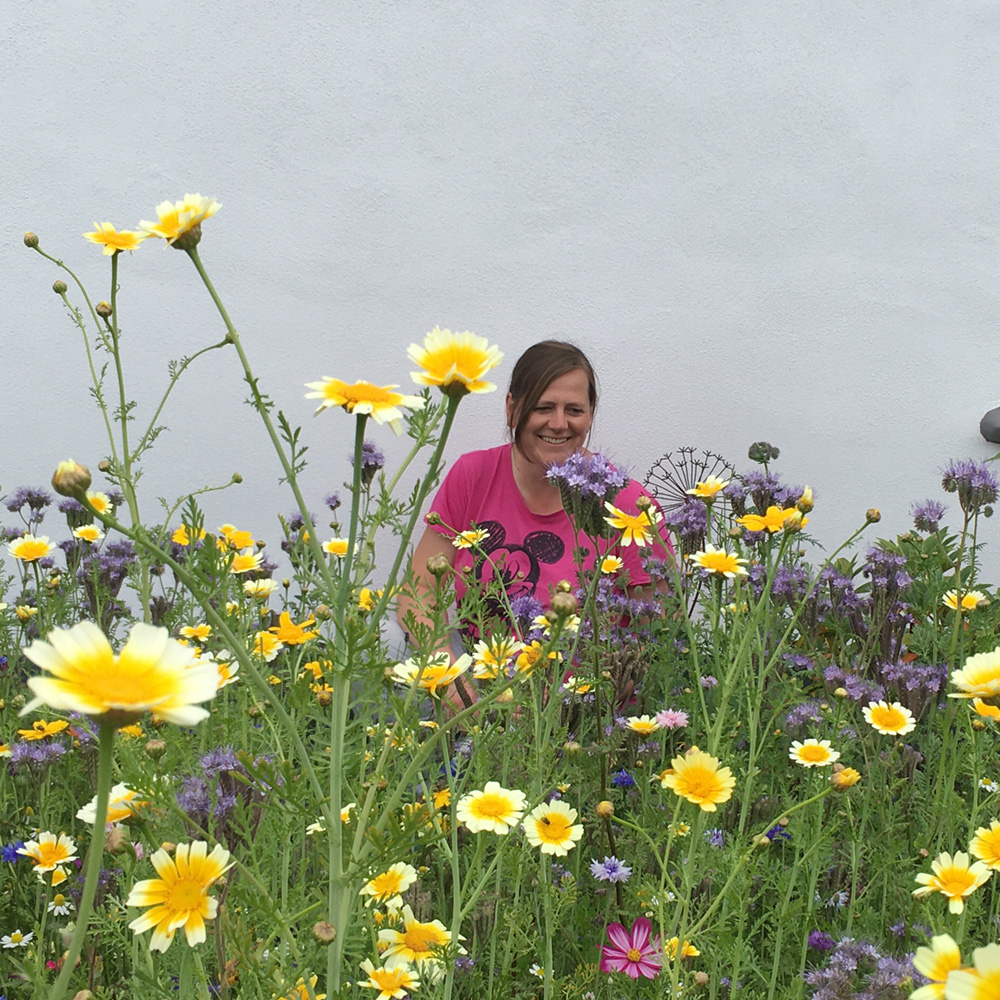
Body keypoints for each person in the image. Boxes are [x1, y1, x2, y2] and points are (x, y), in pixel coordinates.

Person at [397, 341, 672, 665]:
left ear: (591, 414)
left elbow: (656, 633)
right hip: (477, 682)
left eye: (574, 410)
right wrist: (446, 673)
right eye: (543, 408)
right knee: (390, 646)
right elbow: (418, 593)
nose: (558, 424)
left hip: (582, 702)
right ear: (512, 408)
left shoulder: (628, 507)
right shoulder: (473, 476)